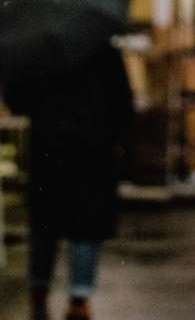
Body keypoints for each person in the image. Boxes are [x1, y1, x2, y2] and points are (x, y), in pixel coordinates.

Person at [3, 41, 133, 320]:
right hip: (93, 148)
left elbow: (16, 100)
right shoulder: (104, 51)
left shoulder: (38, 52)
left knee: (44, 223)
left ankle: (38, 289)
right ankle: (79, 298)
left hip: (48, 147)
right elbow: (123, 102)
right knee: (86, 225)